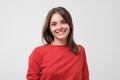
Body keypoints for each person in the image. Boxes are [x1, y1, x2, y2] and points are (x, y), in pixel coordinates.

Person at [26, 6, 89, 80]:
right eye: (54, 24)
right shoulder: (38, 53)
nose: (59, 27)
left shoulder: (80, 51)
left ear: (70, 24)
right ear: (49, 28)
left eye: (63, 22)